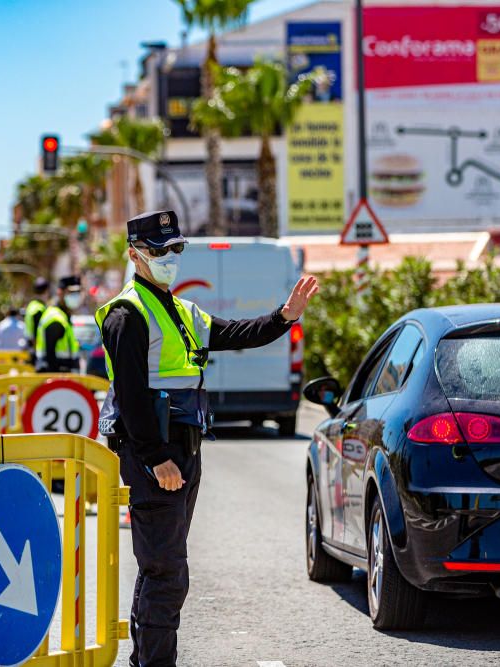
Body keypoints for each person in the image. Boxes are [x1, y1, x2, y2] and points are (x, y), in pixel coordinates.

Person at [95, 210, 318, 667]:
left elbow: (234, 333)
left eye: (176, 249)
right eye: (160, 251)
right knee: (167, 572)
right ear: (135, 255)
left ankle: (145, 660)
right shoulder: (126, 314)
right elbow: (133, 395)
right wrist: (157, 458)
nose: (170, 258)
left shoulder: (178, 309)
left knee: (160, 567)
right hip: (157, 454)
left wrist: (283, 317)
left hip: (182, 448)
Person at [34, 275, 82, 373]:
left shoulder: (63, 315)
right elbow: (50, 357)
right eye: (71, 292)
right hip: (56, 377)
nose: (75, 296)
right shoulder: (55, 317)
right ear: (60, 292)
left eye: (78, 292)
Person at [25, 277, 50, 363]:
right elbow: (37, 333)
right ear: (46, 291)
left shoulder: (31, 306)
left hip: (30, 347)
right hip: (36, 351)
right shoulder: (39, 309)